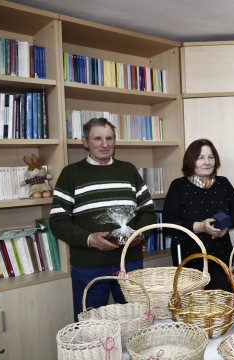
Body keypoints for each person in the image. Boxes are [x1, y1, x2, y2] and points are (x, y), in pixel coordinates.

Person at [49, 117, 156, 320]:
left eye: (109, 138)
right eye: (97, 138)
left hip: (129, 263)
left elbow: (148, 210)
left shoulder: (129, 170)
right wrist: (89, 239)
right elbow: (58, 221)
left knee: (137, 322)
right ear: (85, 142)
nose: (105, 144)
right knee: (90, 327)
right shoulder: (71, 174)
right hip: (89, 266)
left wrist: (138, 234)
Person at [163, 138, 234, 291]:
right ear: (191, 160)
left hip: (221, 258)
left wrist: (226, 223)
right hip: (190, 260)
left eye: (210, 157)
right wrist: (200, 227)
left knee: (222, 303)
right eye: (200, 157)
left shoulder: (223, 183)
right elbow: (168, 224)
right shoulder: (178, 186)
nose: (207, 162)